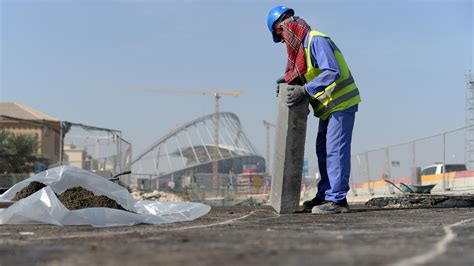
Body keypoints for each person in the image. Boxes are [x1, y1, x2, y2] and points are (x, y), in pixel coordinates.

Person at [267, 6, 361, 214]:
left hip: (341, 103)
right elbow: (309, 71)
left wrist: (304, 89)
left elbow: (332, 71)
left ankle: (337, 201)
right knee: (323, 151)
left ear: (285, 26)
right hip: (329, 108)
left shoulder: (316, 40)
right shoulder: (304, 48)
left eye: (280, 35)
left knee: (335, 150)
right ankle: (325, 194)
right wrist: (291, 80)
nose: (283, 41)